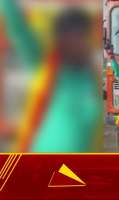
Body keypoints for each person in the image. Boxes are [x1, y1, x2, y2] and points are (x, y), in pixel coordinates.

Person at [0, 1, 102, 152]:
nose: (74, 43)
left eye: (79, 36)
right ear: (59, 40)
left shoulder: (92, 77)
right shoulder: (45, 66)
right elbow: (17, 26)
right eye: (69, 37)